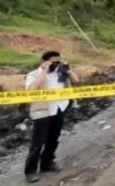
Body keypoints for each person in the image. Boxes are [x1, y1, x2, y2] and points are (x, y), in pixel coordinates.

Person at [24, 51, 78, 183]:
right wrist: (44, 71)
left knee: (53, 139)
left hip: (59, 108)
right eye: (53, 62)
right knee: (38, 142)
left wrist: (67, 68)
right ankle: (30, 171)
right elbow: (32, 90)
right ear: (45, 61)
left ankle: (47, 164)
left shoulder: (61, 73)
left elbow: (76, 80)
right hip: (43, 111)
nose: (56, 64)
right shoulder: (33, 74)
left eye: (58, 61)